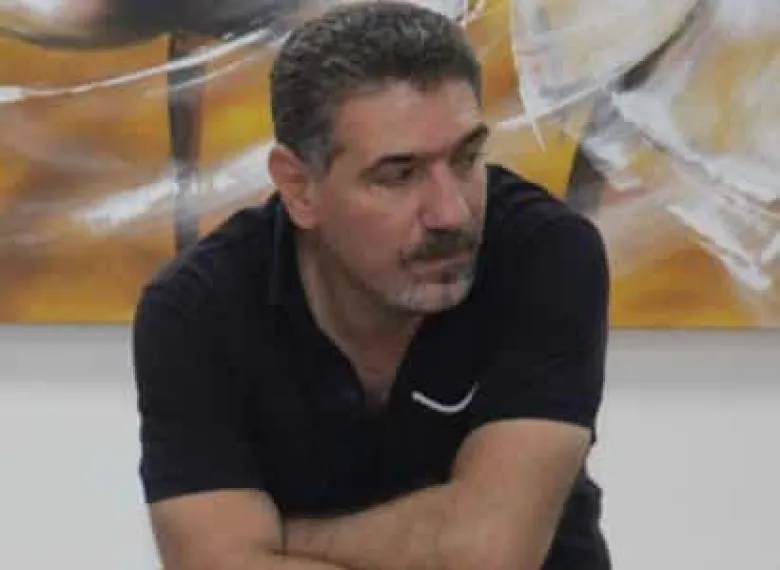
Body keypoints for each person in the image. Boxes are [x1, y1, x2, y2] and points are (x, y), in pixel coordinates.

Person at [131, 2, 612, 570]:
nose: (452, 213)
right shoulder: (197, 309)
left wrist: (280, 542)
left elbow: (485, 555)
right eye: (399, 175)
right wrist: (445, 530)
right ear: (299, 188)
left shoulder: (546, 254)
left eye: (466, 158)